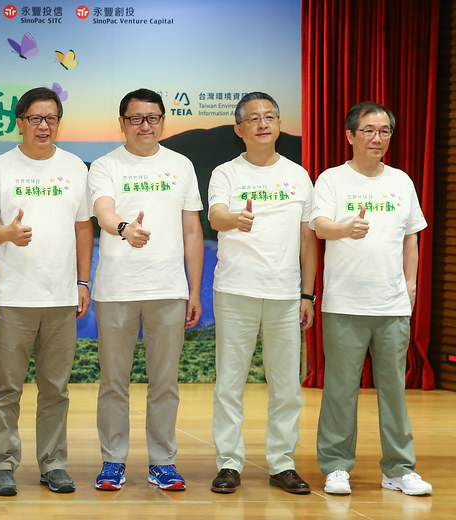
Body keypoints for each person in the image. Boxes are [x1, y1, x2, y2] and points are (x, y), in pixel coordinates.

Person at [0, 87, 92, 496]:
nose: (44, 126)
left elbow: (83, 228)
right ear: (20, 122)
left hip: (61, 298)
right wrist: (7, 233)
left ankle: (54, 463)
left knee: (55, 389)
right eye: (35, 118)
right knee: (6, 388)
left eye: (51, 118)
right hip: (14, 298)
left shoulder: (74, 167)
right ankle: (2, 463)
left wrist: (83, 281)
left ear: (59, 122)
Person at [312, 102, 432, 496]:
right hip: (344, 303)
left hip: (392, 305)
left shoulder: (401, 181)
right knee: (340, 390)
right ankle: (336, 466)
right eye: (368, 130)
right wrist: (345, 228)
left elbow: (411, 238)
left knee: (394, 391)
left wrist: (410, 287)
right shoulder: (331, 179)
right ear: (350, 135)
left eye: (384, 131)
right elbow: (320, 227)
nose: (376, 138)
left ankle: (399, 469)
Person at [88, 88, 204, 491]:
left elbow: (192, 230)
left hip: (168, 289)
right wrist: (123, 227)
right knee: (114, 382)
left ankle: (162, 462)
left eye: (152, 118)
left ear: (162, 121)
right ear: (122, 123)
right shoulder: (105, 166)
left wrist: (193, 291)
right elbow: (102, 211)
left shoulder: (181, 165)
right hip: (116, 291)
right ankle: (113, 461)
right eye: (136, 118)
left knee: (165, 382)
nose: (145, 126)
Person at [207, 92, 316, 495]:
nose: (263, 123)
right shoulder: (226, 173)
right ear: (239, 129)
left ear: (279, 125)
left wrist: (307, 295)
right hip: (235, 290)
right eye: (253, 118)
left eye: (269, 116)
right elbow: (215, 216)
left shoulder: (298, 175)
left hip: (285, 295)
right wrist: (236, 219)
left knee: (286, 385)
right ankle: (229, 463)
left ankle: (282, 463)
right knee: (229, 383)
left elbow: (308, 240)